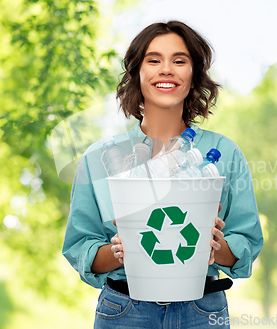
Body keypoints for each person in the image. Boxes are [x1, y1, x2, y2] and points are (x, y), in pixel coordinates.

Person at [62, 20, 263, 328]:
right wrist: (118, 250)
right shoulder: (99, 159)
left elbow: (246, 242)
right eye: (153, 60)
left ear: (194, 75)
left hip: (201, 310)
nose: (166, 69)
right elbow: (80, 246)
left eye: (179, 61)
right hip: (125, 311)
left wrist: (214, 247)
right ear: (137, 74)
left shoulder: (225, 152)